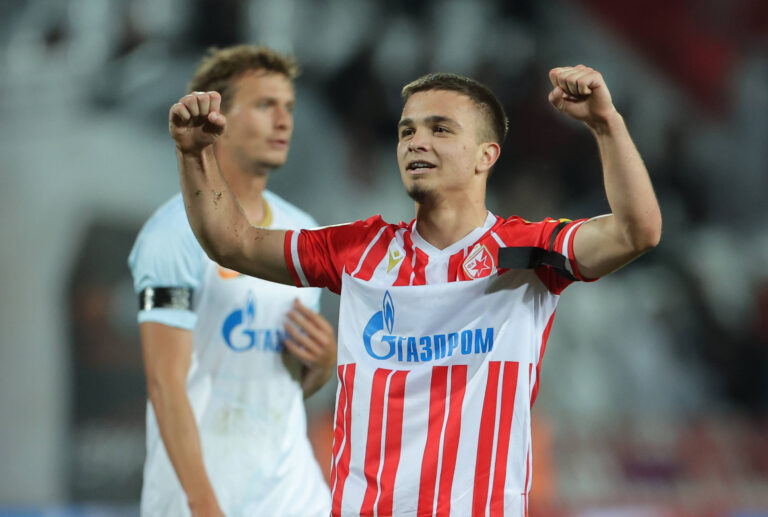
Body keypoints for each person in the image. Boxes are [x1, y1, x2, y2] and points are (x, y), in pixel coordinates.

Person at [169, 65, 662, 515]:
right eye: (407, 131)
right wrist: (195, 154)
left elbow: (637, 231)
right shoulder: (358, 250)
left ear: (486, 155)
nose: (416, 142)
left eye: (440, 129)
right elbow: (233, 242)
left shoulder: (529, 251)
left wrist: (605, 124)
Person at [128, 45, 335, 517]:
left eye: (289, 107)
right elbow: (165, 386)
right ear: (218, 118)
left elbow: (273, 388)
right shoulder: (170, 235)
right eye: (265, 105)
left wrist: (322, 366)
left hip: (293, 498)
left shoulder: (303, 232)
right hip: (202, 501)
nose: (284, 121)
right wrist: (204, 505)